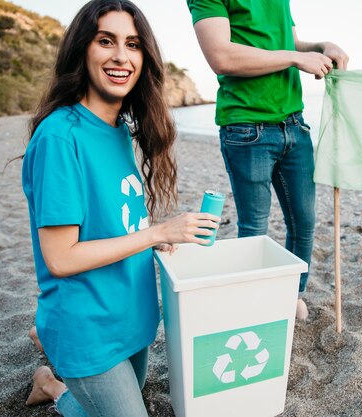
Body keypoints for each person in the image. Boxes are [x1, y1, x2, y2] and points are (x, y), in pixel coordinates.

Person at [21, 1, 220, 415]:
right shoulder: (60, 137)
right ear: (82, 50)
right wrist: (157, 233)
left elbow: (113, 219)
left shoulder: (118, 129)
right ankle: (54, 384)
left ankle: (52, 386)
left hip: (133, 313)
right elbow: (59, 258)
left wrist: (154, 241)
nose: (120, 56)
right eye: (105, 41)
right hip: (87, 327)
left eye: (132, 44)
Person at [187, 0, 349, 321]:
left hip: (294, 123)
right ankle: (251, 308)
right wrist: (295, 57)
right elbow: (221, 56)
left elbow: (291, 44)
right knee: (254, 228)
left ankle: (292, 295)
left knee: (303, 221)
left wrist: (320, 46)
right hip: (246, 126)